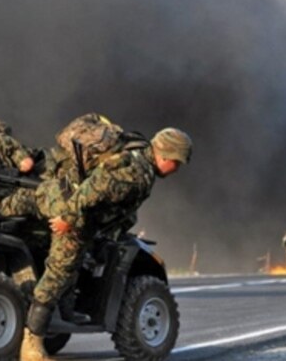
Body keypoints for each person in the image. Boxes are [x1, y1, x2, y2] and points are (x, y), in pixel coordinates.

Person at [20, 127, 193, 361]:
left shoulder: (140, 155)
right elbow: (94, 188)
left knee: (77, 264)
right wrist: (68, 219)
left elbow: (118, 206)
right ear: (165, 155)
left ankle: (64, 315)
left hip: (76, 208)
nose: (176, 169)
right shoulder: (136, 171)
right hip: (73, 213)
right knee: (58, 272)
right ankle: (32, 344)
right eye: (177, 163)